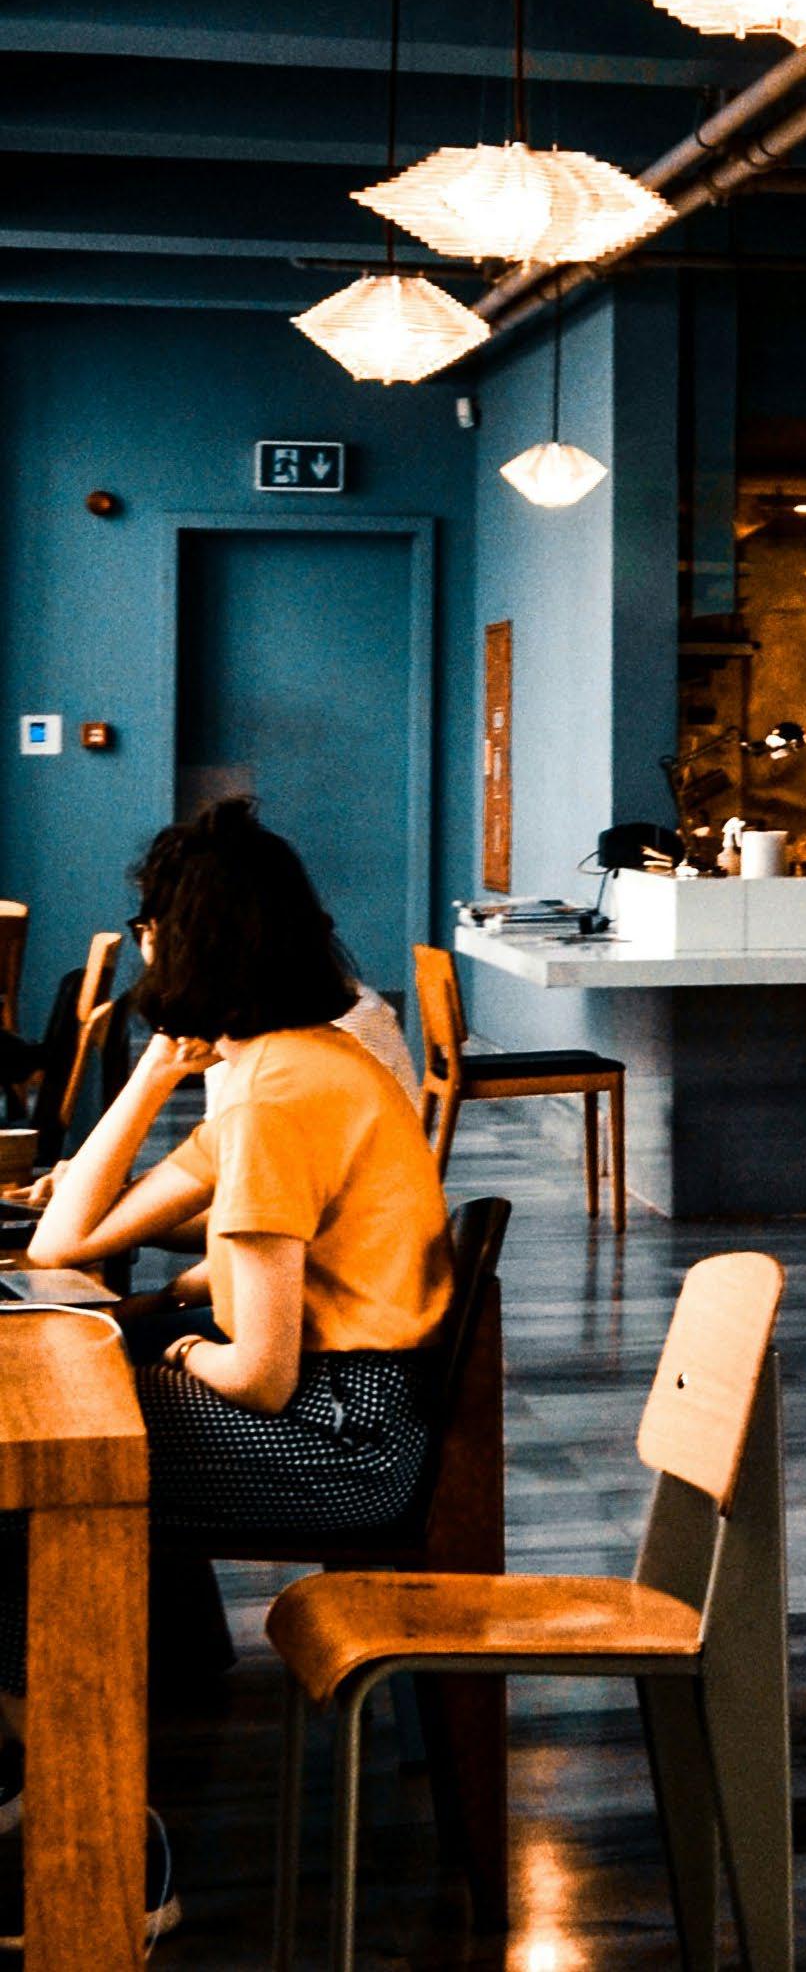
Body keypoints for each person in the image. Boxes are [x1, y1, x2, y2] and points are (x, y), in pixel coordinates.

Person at [0, 800, 453, 1944]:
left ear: (186, 938)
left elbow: (258, 1374)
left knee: (43, 1464)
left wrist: (187, 1346)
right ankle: (36, 1776)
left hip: (343, 1437)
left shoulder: (281, 1095)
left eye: (150, 926)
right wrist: (158, 1067)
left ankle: (98, 1830)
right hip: (343, 1410)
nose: (143, 944)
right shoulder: (284, 1066)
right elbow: (63, 1241)